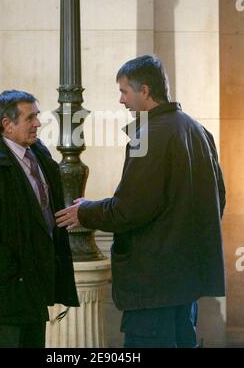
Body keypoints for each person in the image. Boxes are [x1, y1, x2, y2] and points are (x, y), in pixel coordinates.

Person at [55, 55, 226, 348]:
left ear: (144, 90)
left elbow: (130, 209)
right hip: (184, 281)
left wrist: (85, 212)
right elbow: (217, 198)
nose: (121, 100)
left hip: (154, 283)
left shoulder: (150, 136)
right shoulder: (198, 130)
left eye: (124, 91)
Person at [0, 90, 79, 348]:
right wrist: (10, 270)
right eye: (30, 117)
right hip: (8, 292)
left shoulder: (39, 157)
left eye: (37, 116)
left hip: (34, 288)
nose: (38, 123)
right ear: (7, 125)